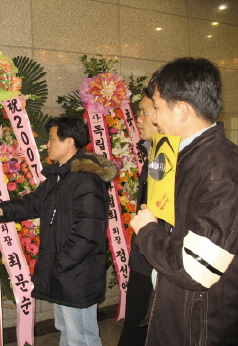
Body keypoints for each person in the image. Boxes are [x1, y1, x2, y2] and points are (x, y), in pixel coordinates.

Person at [0, 116, 117, 346]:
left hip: (76, 274)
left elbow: (88, 234)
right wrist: (0, 211)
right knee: (67, 331)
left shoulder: (87, 180)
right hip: (63, 273)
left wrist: (60, 264)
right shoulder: (61, 175)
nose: (47, 144)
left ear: (69, 142)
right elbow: (33, 202)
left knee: (81, 337)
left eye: (52, 139)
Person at [131, 57, 238, 345]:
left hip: (199, 327)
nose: (153, 118)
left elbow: (196, 268)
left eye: (156, 107)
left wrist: (148, 230)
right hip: (178, 314)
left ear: (182, 111)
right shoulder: (186, 157)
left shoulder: (219, 170)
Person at [118, 89, 158, 345]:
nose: (138, 120)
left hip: (158, 265)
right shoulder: (151, 154)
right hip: (142, 260)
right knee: (134, 330)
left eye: (143, 112)